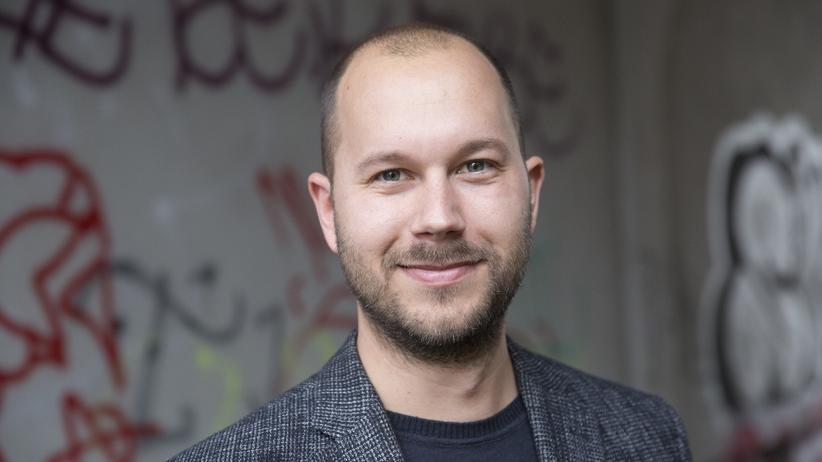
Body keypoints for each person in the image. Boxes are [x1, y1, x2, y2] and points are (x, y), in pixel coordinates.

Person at [170, 22, 691, 461]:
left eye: (476, 166)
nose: (439, 218)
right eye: (392, 175)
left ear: (531, 194)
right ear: (328, 212)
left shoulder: (645, 436)